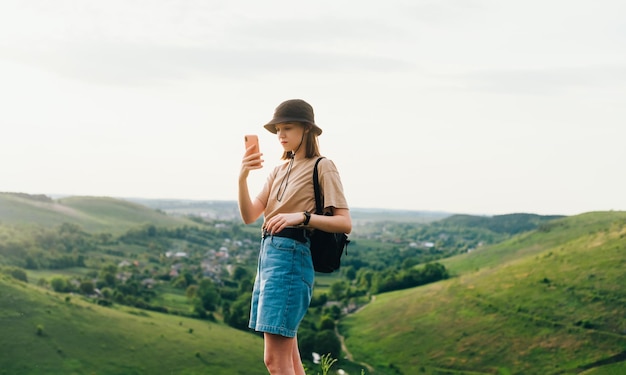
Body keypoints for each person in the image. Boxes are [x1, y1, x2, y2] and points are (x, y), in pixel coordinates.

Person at [238, 99, 352, 375]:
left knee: (275, 361)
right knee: (290, 360)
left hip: (291, 258)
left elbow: (344, 222)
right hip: (268, 258)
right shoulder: (278, 170)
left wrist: (302, 217)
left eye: (287, 128)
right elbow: (249, 215)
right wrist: (242, 177)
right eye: (277, 129)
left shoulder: (322, 166)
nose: (280, 135)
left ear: (307, 130)